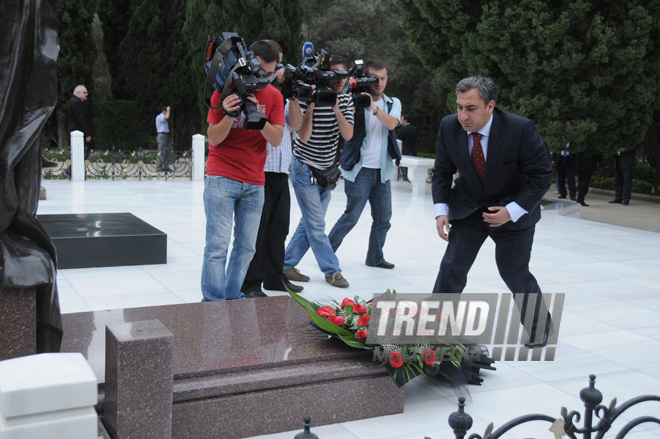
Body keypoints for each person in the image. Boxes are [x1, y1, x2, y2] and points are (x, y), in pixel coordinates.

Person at [431, 76, 553, 347]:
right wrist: (441, 211)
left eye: (471, 108)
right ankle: (435, 327)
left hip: (513, 211)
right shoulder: (449, 126)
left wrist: (512, 210)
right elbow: (442, 171)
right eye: (460, 107)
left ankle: (539, 326)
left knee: (514, 272)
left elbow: (542, 176)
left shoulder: (520, 129)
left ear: (490, 106)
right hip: (470, 208)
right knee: (452, 267)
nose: (463, 115)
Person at [201, 40, 284, 301]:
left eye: (271, 73)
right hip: (221, 177)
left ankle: (231, 296)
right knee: (217, 246)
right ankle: (212, 302)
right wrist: (228, 113)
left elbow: (277, 138)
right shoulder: (223, 89)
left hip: (254, 181)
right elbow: (213, 138)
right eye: (261, 70)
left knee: (247, 247)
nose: (265, 78)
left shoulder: (274, 96)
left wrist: (258, 121)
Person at [282, 55, 354, 288]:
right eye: (335, 75)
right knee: (316, 225)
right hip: (304, 169)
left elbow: (348, 135)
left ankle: (286, 264)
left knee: (309, 223)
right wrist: (311, 104)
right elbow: (302, 136)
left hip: (326, 173)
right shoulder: (307, 97)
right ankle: (332, 270)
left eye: (344, 75)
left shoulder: (344, 100)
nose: (341, 80)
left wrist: (335, 107)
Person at [241, 40, 304, 298]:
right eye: (270, 67)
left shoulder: (282, 95)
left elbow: (296, 125)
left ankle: (275, 278)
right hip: (259, 170)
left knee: (279, 228)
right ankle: (252, 283)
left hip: (281, 173)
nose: (275, 73)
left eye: (278, 66)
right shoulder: (254, 91)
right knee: (258, 230)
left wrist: (294, 93)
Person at [329, 59, 401, 269]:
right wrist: (355, 100)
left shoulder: (391, 103)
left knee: (383, 219)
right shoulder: (353, 99)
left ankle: (375, 257)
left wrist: (373, 107)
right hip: (359, 170)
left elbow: (392, 124)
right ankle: (326, 253)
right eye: (374, 78)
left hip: (383, 172)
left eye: (383, 78)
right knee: (351, 216)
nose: (379, 83)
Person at [67, 84, 92, 152]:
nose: (86, 94)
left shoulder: (75, 101)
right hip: (77, 131)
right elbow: (80, 119)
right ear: (78, 93)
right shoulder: (76, 103)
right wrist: (87, 134)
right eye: (84, 92)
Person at [397, 114, 418, 181]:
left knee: (404, 167)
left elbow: (399, 140)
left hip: (405, 151)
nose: (401, 121)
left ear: (405, 121)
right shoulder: (415, 129)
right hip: (413, 150)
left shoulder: (403, 129)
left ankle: (405, 177)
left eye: (402, 120)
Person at [155, 105, 172, 172]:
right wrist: (168, 110)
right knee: (161, 152)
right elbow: (167, 116)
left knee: (167, 152)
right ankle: (158, 167)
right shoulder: (159, 116)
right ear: (164, 111)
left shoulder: (163, 117)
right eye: (166, 111)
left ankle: (166, 167)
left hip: (166, 135)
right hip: (162, 135)